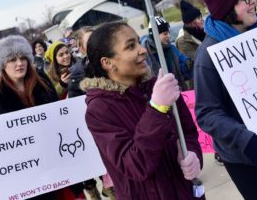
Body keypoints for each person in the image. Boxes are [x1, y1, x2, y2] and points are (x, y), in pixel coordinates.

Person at [81, 21, 204, 200]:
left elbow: (188, 132)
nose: (142, 49)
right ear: (108, 63)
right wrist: (157, 108)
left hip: (186, 192)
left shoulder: (158, 86)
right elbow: (135, 166)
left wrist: (193, 153)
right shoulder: (99, 110)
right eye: (131, 46)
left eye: (138, 42)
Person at [193, 0, 257, 199]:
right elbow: (207, 113)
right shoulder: (207, 56)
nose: (253, 1)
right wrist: (245, 139)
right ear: (226, 6)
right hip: (246, 158)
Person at [0, 35, 86, 200]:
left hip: (59, 167)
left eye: (22, 57)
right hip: (29, 181)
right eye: (12, 59)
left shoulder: (42, 81)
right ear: (2, 64)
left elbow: (59, 119)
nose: (19, 63)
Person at [68, 26, 115, 200]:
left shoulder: (114, 62)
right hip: (100, 138)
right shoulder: (77, 76)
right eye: (89, 42)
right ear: (81, 48)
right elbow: (74, 112)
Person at [142, 16, 192, 91]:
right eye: (165, 33)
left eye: (168, 32)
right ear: (155, 35)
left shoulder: (171, 48)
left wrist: (189, 64)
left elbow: (182, 63)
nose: (168, 36)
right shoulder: (145, 53)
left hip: (176, 90)